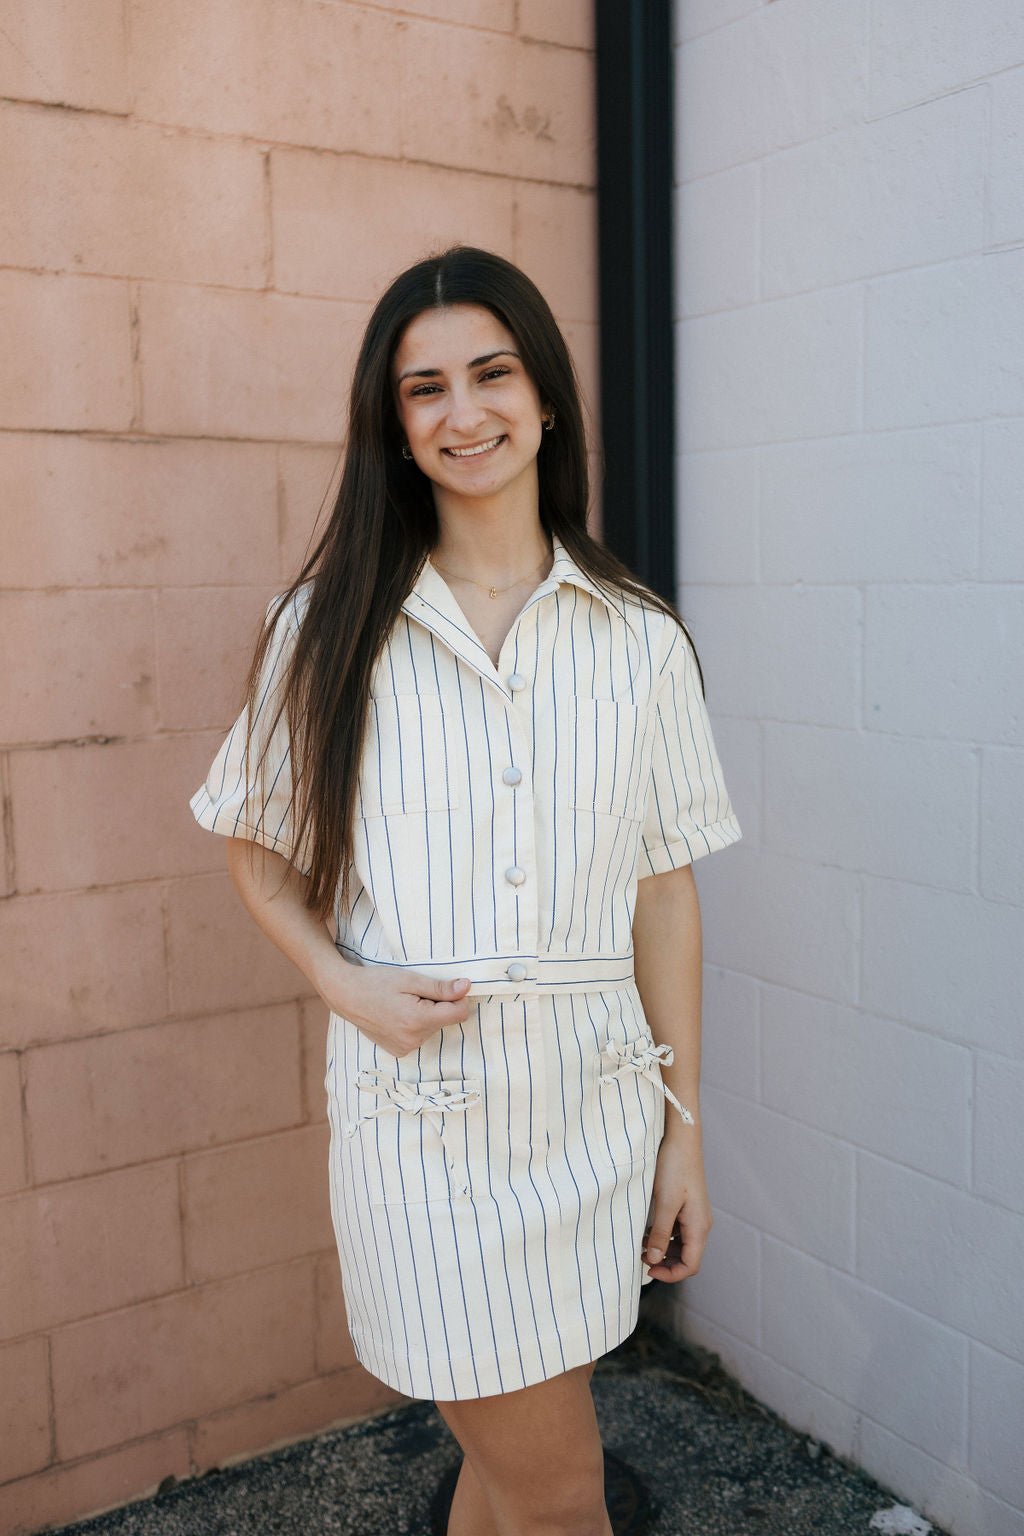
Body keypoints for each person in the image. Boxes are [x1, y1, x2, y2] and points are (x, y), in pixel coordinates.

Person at [189, 244, 742, 1536]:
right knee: (561, 1498)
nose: (464, 412)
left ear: (545, 397)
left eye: (492, 374)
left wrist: (683, 1134)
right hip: (426, 1129)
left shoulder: (641, 640)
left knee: (507, 1487)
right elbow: (254, 845)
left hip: (596, 1117)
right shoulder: (326, 628)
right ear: (395, 426)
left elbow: (664, 892)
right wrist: (343, 984)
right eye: (424, 388)